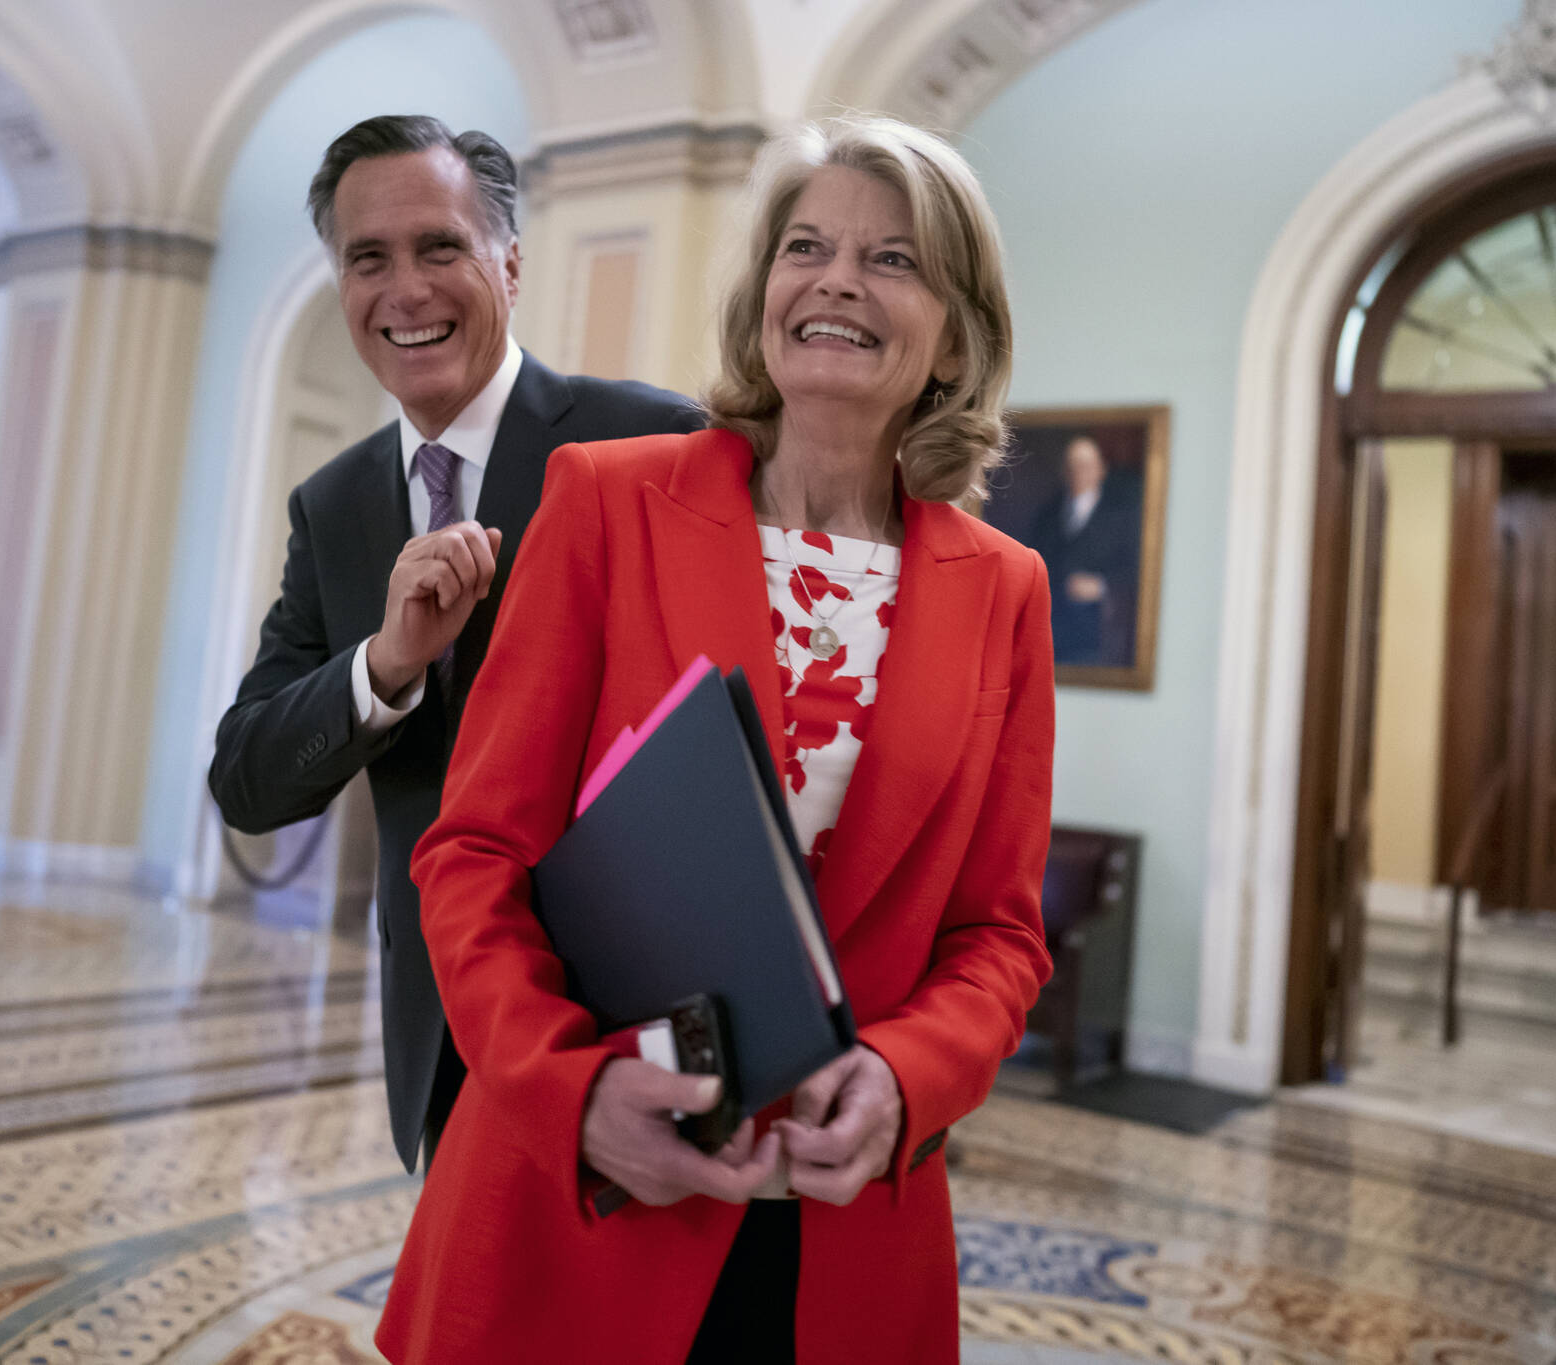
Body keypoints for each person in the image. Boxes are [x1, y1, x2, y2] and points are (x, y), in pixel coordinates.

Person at [373, 115, 1054, 1364]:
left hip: (838, 1237)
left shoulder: (1003, 590)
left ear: (954, 334)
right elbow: (470, 856)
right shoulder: (606, 501)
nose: (838, 278)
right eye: (806, 246)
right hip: (576, 1203)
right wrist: (569, 1093)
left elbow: (997, 934)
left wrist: (909, 1079)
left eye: (893, 259)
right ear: (763, 299)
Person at [207, 115, 698, 1174]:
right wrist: (384, 668)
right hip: (442, 1025)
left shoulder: (650, 443)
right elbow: (246, 783)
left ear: (509, 265)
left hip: (633, 1007)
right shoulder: (332, 508)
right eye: (366, 259)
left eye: (440, 248)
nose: (405, 290)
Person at [1027, 433, 1140, 666]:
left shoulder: (1122, 516)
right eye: (1073, 466)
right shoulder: (1047, 515)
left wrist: (1101, 586)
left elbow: (1135, 570)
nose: (1079, 472)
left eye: (1086, 466)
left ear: (1101, 470)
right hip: (1053, 626)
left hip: (1098, 630)